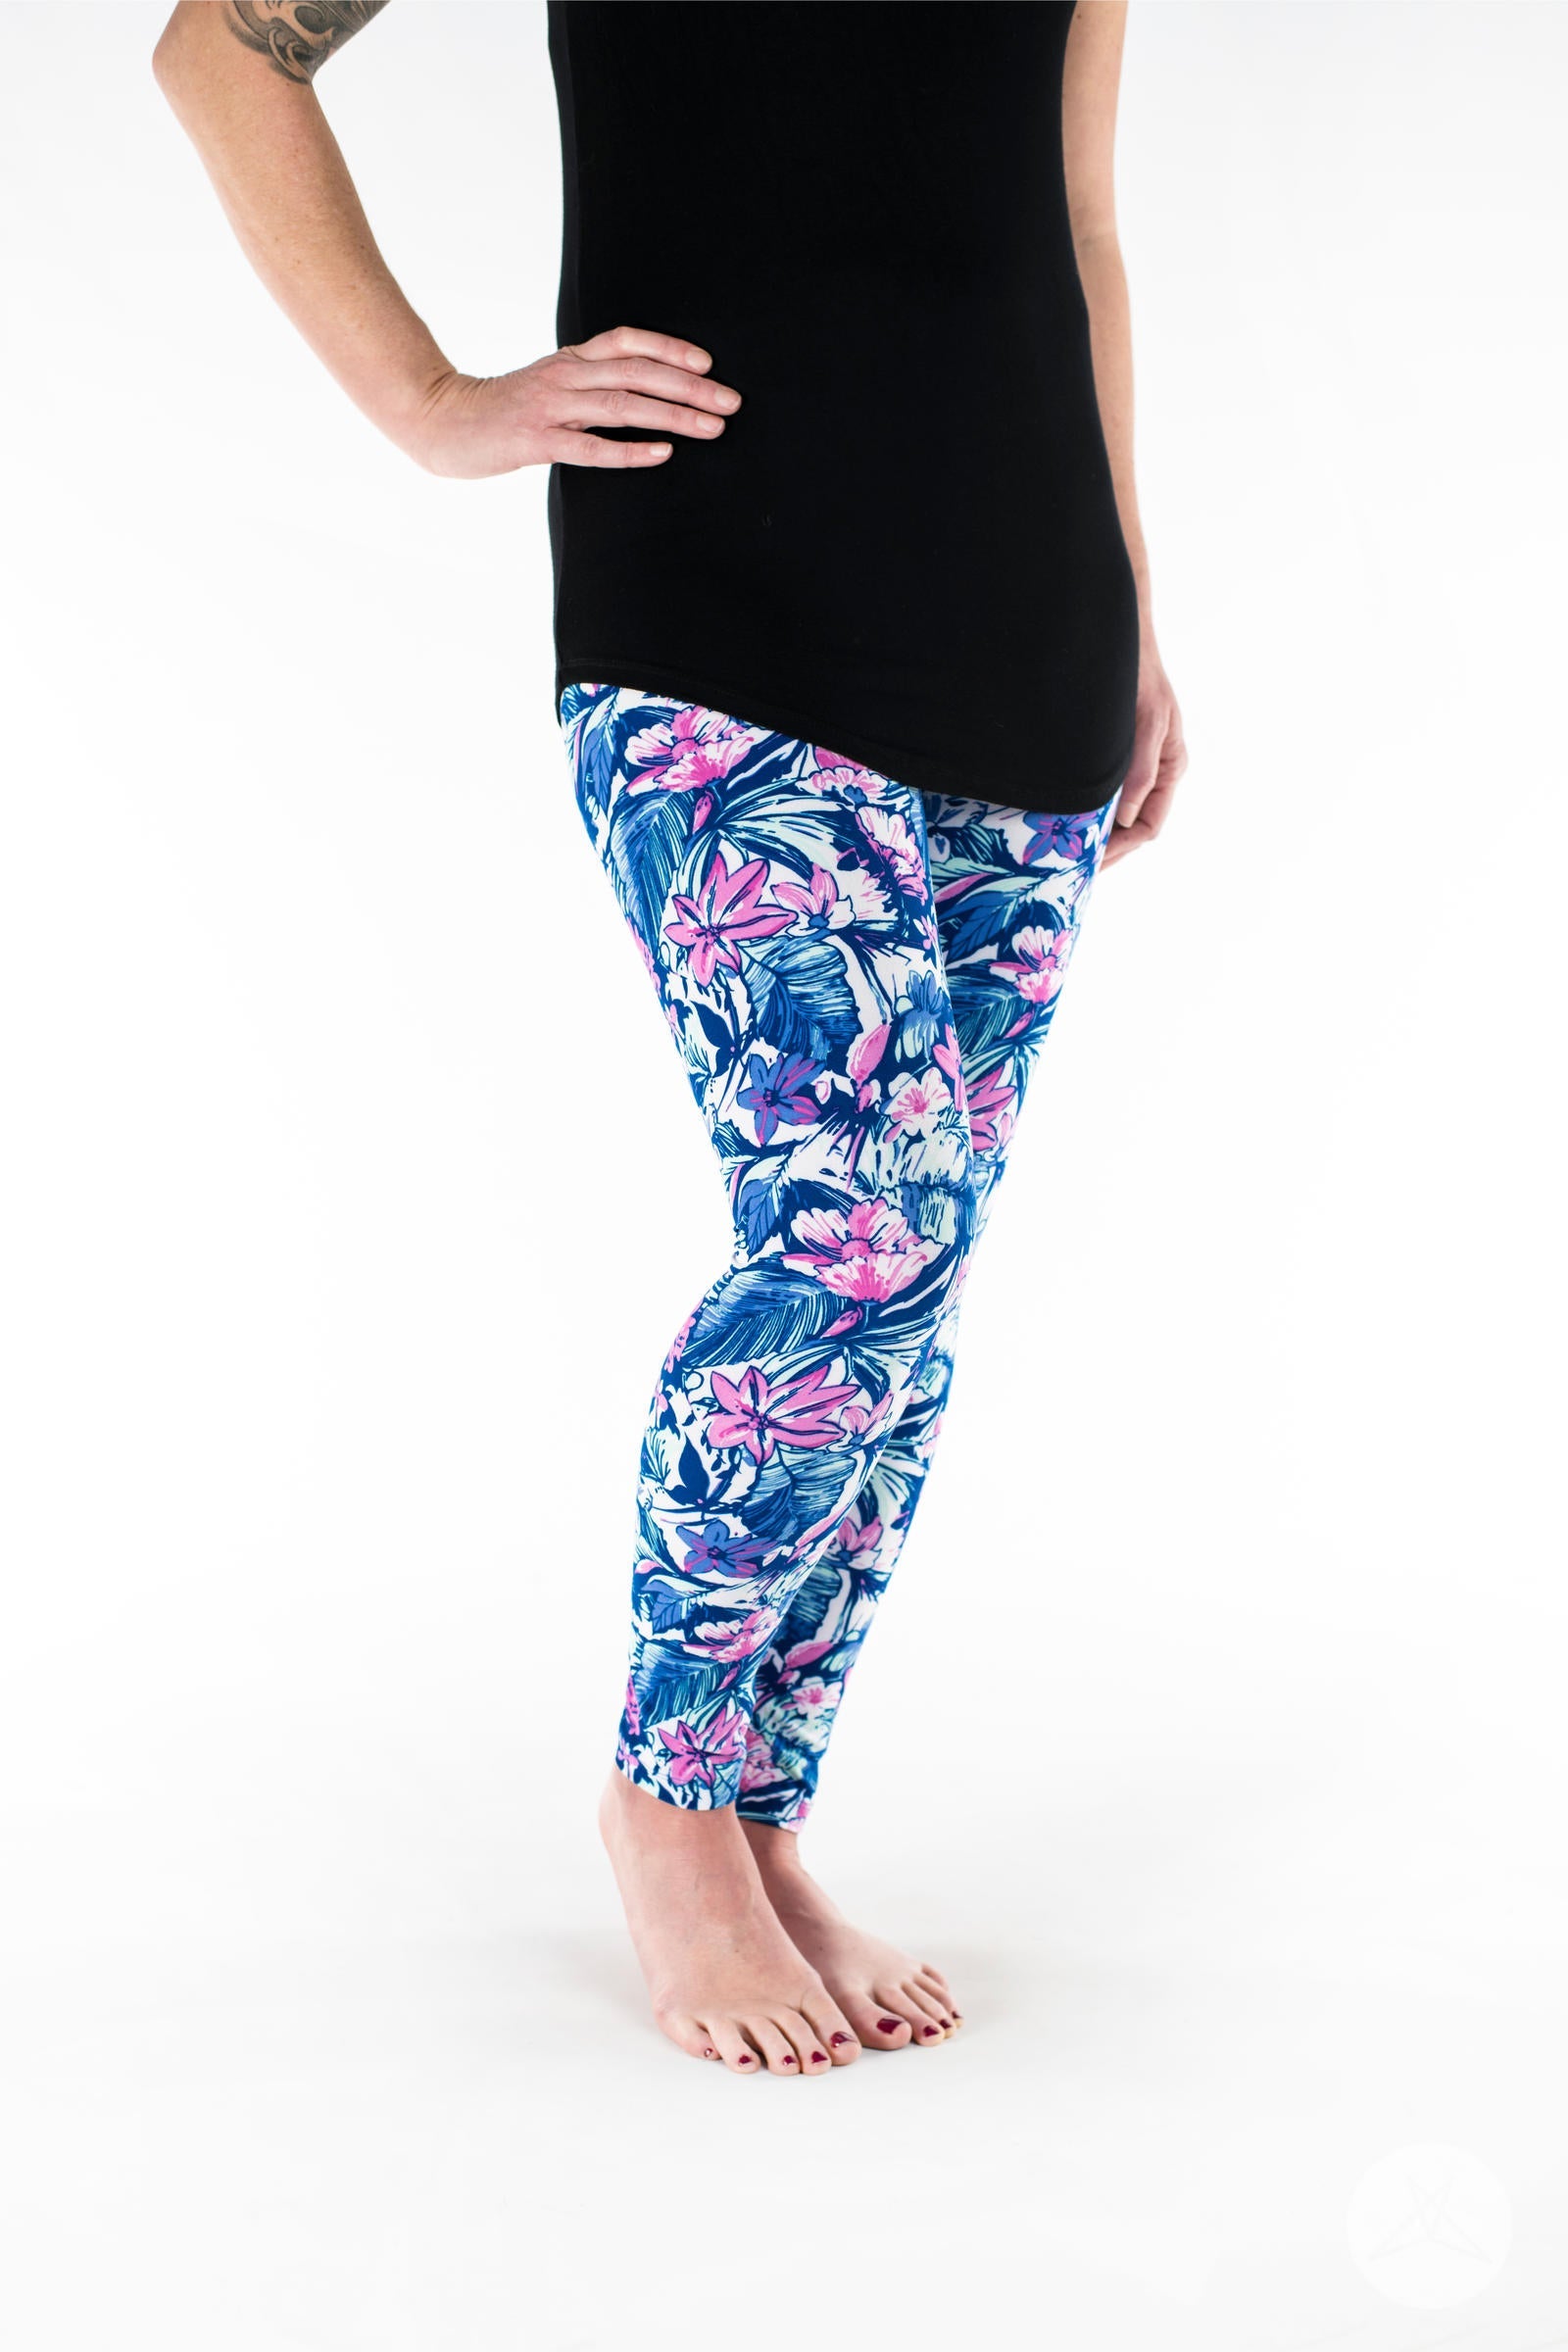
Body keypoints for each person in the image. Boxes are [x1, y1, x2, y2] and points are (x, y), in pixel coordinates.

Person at [154, 0, 1187, 2079]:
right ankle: (667, 1797)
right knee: (857, 1231)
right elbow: (222, 49)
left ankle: (763, 1811)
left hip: (1026, 611)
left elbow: (1073, 214)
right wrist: (430, 403)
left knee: (910, 1282)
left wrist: (1136, 601)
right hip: (718, 607)